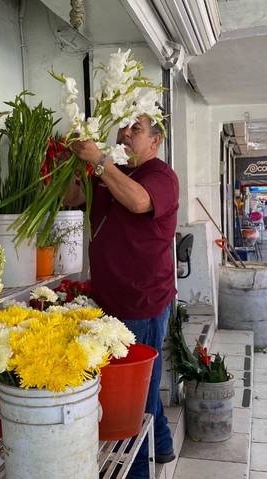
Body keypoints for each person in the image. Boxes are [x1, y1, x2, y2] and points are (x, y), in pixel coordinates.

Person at [66, 114, 178, 477]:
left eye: (137, 130)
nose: (127, 134)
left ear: (156, 141)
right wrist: (71, 163)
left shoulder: (160, 176)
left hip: (141, 303)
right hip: (111, 299)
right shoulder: (113, 174)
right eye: (124, 128)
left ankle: (137, 472)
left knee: (133, 398)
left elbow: (140, 203)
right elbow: (74, 197)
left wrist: (100, 160)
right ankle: (162, 445)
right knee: (142, 387)